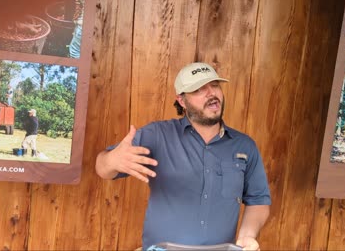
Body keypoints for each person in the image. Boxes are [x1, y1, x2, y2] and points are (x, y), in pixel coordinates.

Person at [95, 62, 271, 251]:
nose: (211, 93)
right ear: (181, 101)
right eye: (198, 89)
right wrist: (112, 160)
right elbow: (102, 168)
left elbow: (258, 200)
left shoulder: (244, 146)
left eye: (215, 85)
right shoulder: (157, 135)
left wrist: (247, 236)